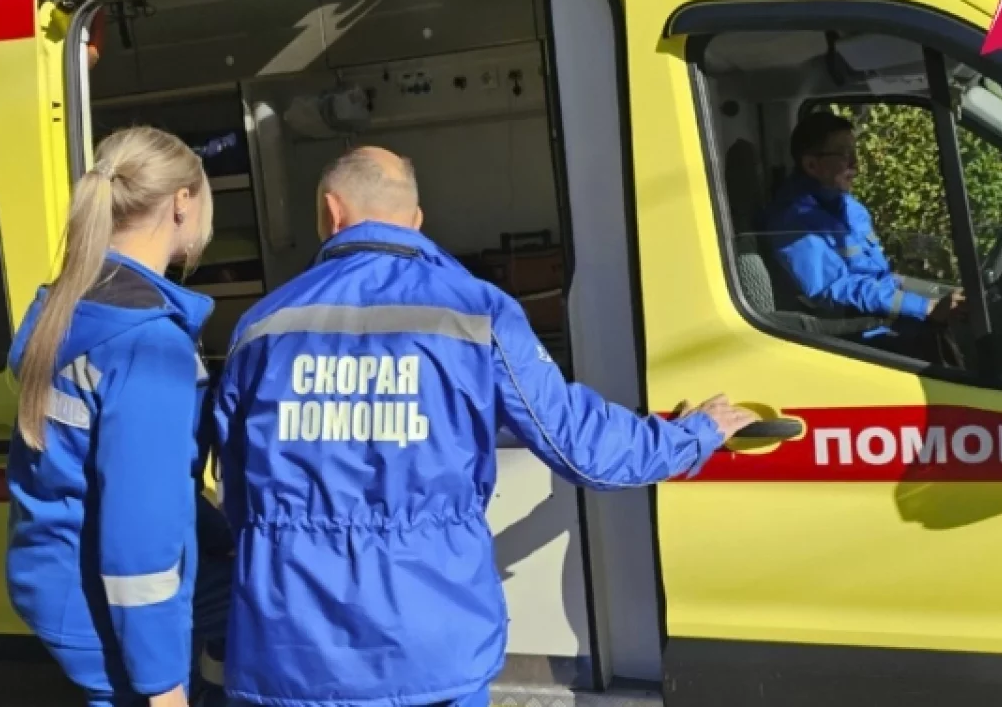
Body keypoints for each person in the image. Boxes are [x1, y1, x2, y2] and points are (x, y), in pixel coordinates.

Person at [207, 146, 759, 707]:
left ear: (331, 211)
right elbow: (580, 447)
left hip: (290, 652)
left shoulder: (261, 326)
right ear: (416, 220)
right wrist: (693, 434)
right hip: (433, 650)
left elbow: (235, 492)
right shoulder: (476, 312)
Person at [5, 126, 215, 707]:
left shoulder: (66, 307)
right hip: (107, 609)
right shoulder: (148, 342)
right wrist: (163, 685)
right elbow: (139, 537)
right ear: (182, 203)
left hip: (57, 579)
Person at [763, 111, 966, 360]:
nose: (856, 163)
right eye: (844, 154)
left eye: (854, 152)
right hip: (858, 338)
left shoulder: (850, 207)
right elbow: (834, 289)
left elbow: (876, 274)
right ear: (812, 165)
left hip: (883, 320)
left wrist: (927, 296)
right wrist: (925, 307)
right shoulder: (794, 222)